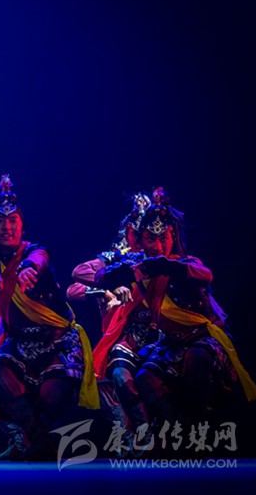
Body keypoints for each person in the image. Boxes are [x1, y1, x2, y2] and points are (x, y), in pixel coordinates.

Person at [95, 188, 256, 448]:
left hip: (202, 340)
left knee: (196, 362)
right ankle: (179, 435)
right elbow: (98, 276)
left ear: (173, 235)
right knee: (144, 379)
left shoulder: (184, 263)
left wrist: (164, 265)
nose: (159, 246)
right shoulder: (138, 265)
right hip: (171, 343)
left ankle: (194, 432)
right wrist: (114, 278)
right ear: (140, 240)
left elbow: (205, 275)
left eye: (164, 238)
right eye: (151, 239)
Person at [0, 175, 98, 460]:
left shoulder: (34, 251)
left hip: (57, 339)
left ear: (22, 223)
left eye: (13, 220)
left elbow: (40, 258)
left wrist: (28, 267)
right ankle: (41, 441)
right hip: (19, 342)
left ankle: (36, 443)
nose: (7, 227)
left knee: (53, 396)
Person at [67, 193, 156, 455]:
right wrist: (108, 289)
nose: (139, 239)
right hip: (124, 335)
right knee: (105, 379)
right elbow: (76, 279)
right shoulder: (117, 258)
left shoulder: (162, 259)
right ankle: (130, 438)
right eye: (135, 232)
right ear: (128, 232)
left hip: (160, 330)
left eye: (146, 234)